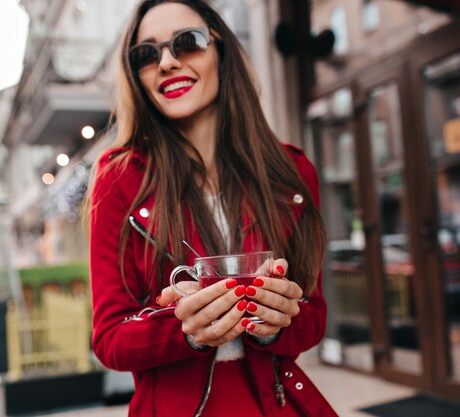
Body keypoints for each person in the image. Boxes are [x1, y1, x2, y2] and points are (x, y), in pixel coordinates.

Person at [88, 1, 338, 416]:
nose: (167, 62)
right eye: (147, 54)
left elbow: (313, 317)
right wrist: (181, 327)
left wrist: (276, 321)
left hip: (276, 402)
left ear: (221, 52)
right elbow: (109, 339)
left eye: (188, 43)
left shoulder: (291, 172)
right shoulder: (118, 178)